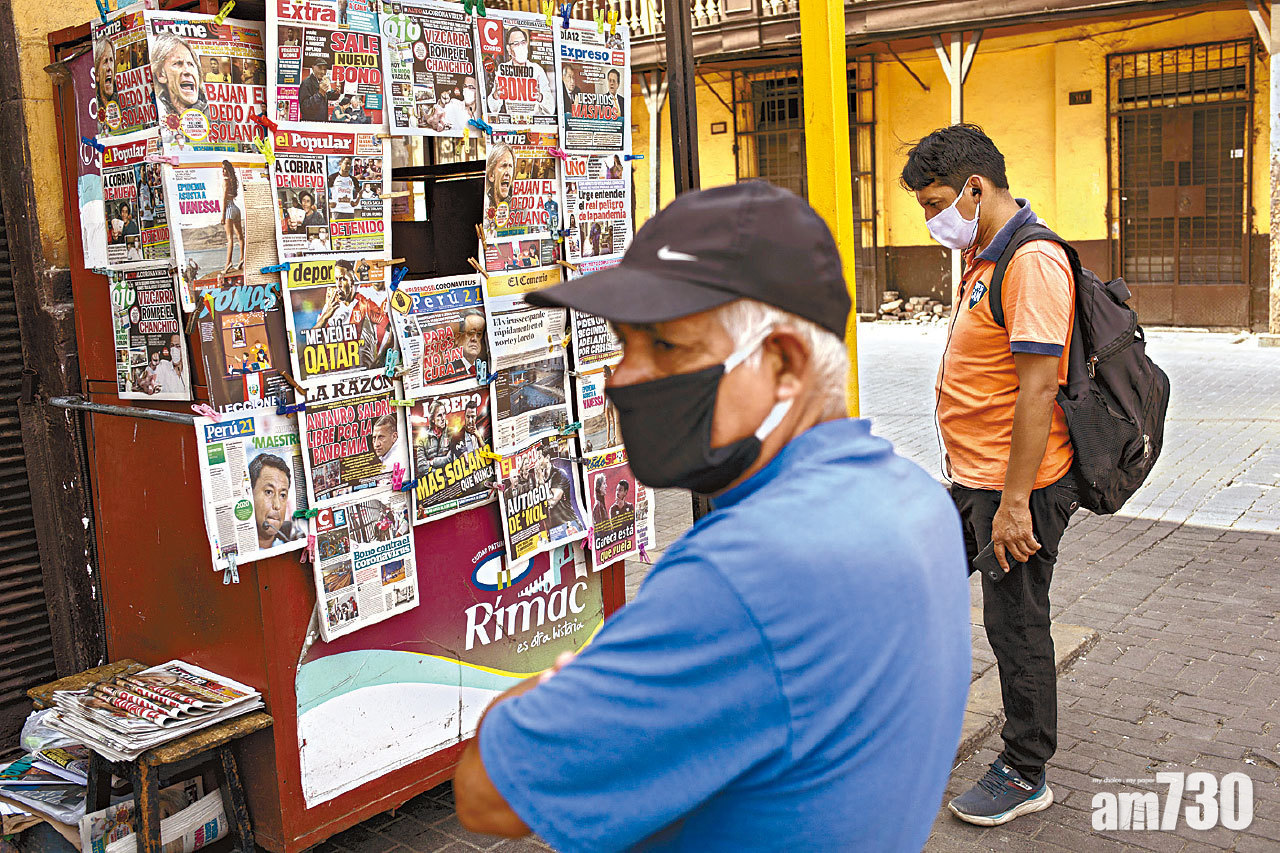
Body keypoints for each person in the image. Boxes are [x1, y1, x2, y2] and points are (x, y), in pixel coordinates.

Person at [454, 182, 971, 851]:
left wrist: (560, 683)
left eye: (666, 347)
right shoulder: (914, 496)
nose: (620, 376)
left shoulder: (740, 575)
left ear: (783, 363)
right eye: (623, 343)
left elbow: (486, 790)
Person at [900, 124, 1080, 827]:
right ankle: (898, 713)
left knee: (1017, 624)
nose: (931, 217)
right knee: (915, 572)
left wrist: (1013, 505)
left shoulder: (1031, 260)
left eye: (937, 201)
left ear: (976, 188)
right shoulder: (984, 253)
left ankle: (1026, 766)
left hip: (1019, 489)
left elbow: (1038, 391)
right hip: (975, 480)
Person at [485, 26, 552, 117]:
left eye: (523, 42)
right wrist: (496, 96)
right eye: (516, 44)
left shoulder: (537, 70)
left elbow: (551, 108)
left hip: (534, 125)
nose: (521, 46)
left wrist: (540, 97)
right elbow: (493, 109)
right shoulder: (503, 69)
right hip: (513, 126)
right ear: (509, 49)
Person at [248, 453, 303, 550]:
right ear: (250, 494)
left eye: (282, 495)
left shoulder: (293, 535)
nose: (277, 505)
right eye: (269, 492)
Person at [150, 35, 208, 120]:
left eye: (191, 64)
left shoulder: (217, 115)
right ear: (161, 75)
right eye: (178, 63)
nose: (187, 71)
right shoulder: (156, 111)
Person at [297, 57, 340, 123]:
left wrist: (336, 93)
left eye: (325, 69)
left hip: (322, 122)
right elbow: (304, 108)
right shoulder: (306, 83)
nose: (323, 72)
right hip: (311, 123)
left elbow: (329, 95)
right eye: (320, 68)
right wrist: (319, 94)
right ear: (313, 68)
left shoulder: (323, 81)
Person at [220, 161, 244, 273]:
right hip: (236, 209)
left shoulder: (225, 181)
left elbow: (225, 198)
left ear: (228, 170)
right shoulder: (232, 181)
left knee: (230, 239)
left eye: (224, 169)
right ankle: (241, 259)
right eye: (222, 169)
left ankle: (228, 263)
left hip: (229, 209)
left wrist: (223, 215)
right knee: (240, 236)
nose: (223, 171)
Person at [415, 401, 452, 471]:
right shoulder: (423, 439)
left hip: (451, 478)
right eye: (439, 415)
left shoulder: (451, 433)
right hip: (432, 480)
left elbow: (451, 458)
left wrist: (432, 462)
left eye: (444, 414)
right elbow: (421, 468)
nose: (443, 418)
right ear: (432, 419)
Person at [484, 143, 514, 222]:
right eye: (504, 166)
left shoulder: (519, 208)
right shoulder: (485, 205)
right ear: (491, 175)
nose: (507, 172)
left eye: (510, 166)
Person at [454, 309, 486, 375]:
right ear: (458, 338)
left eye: (479, 334)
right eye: (470, 333)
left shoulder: (485, 365)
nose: (474, 339)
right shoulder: (449, 370)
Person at [94, 36, 116, 116]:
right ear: (97, 74)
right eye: (105, 61)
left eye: (111, 60)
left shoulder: (127, 104)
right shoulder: (93, 109)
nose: (109, 67)